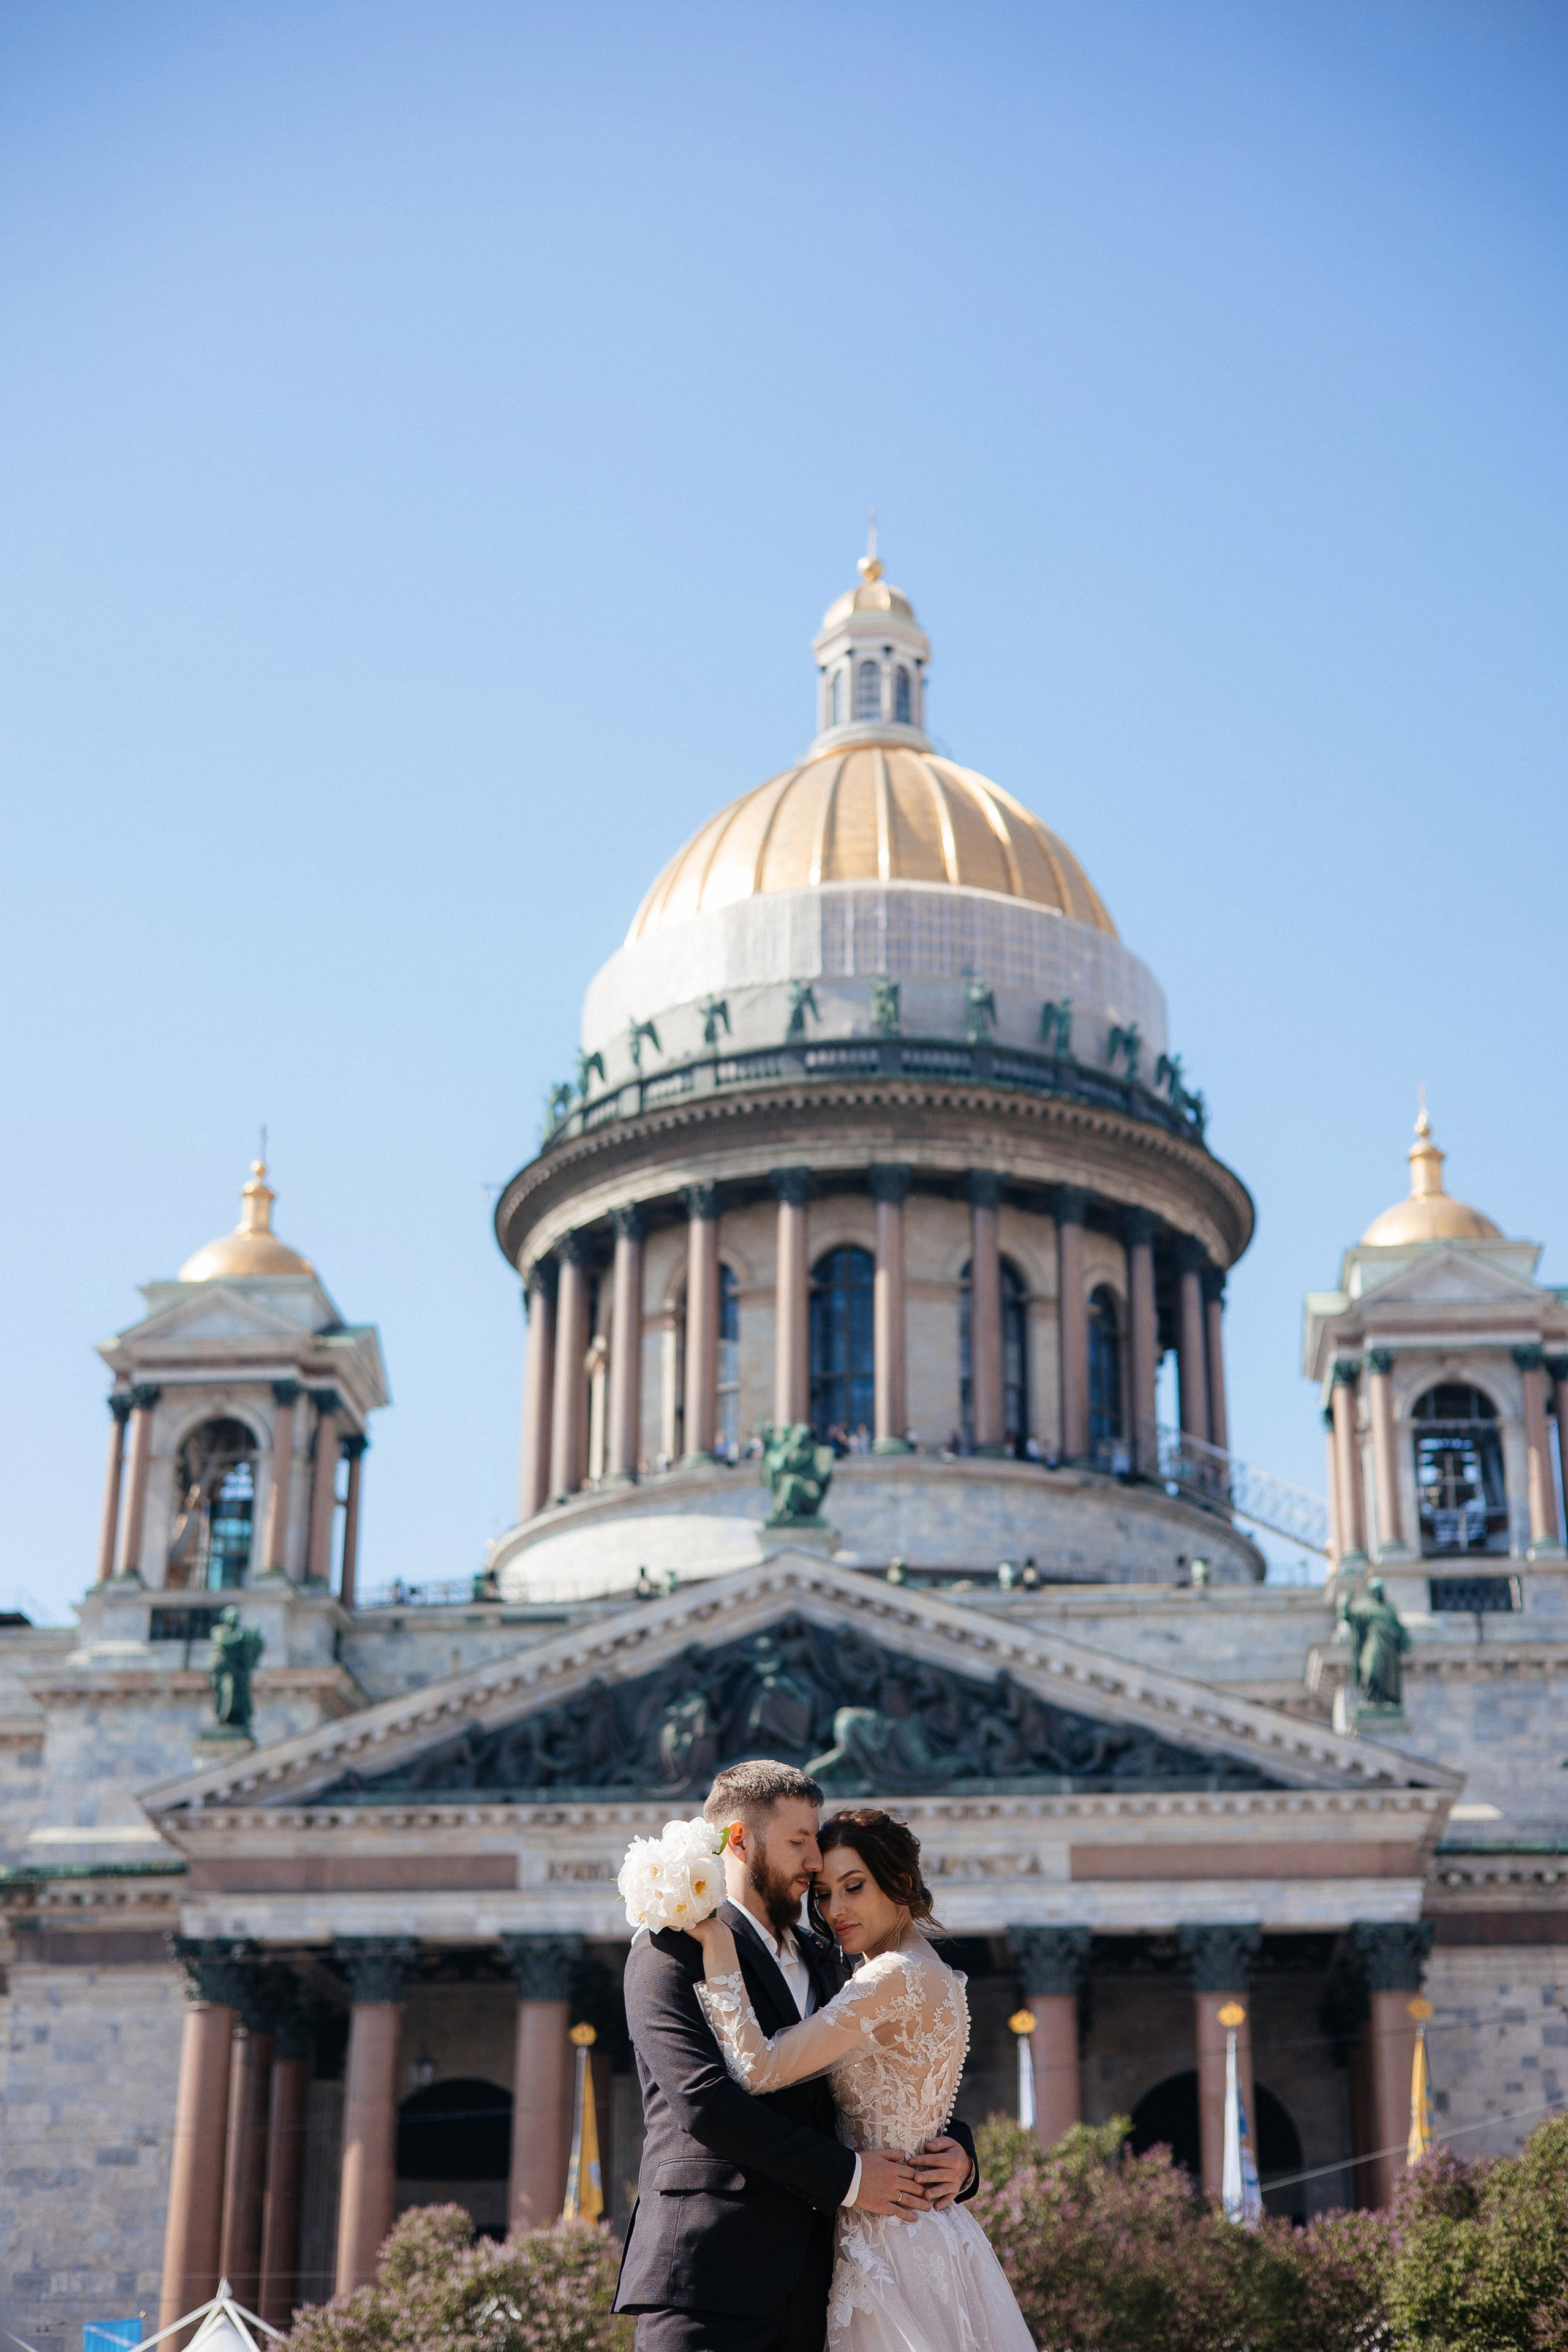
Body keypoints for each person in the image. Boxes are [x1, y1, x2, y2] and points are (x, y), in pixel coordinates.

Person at [615, 1762, 979, 2352]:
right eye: (798, 1841)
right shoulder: (669, 1950)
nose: (816, 1861)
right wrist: (853, 2178)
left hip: (823, 2289)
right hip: (708, 2280)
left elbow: (885, 2070)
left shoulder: (839, 1961)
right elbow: (706, 2103)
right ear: (739, 1840)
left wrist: (956, 2154)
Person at [689, 1806, 1035, 2352]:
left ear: (900, 1882)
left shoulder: (889, 1977)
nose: (835, 1910)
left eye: (854, 1886)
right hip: (929, 2231)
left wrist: (714, 1939)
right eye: (822, 1893)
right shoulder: (936, 1974)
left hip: (884, 2240)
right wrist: (962, 2156)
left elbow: (759, 2067)